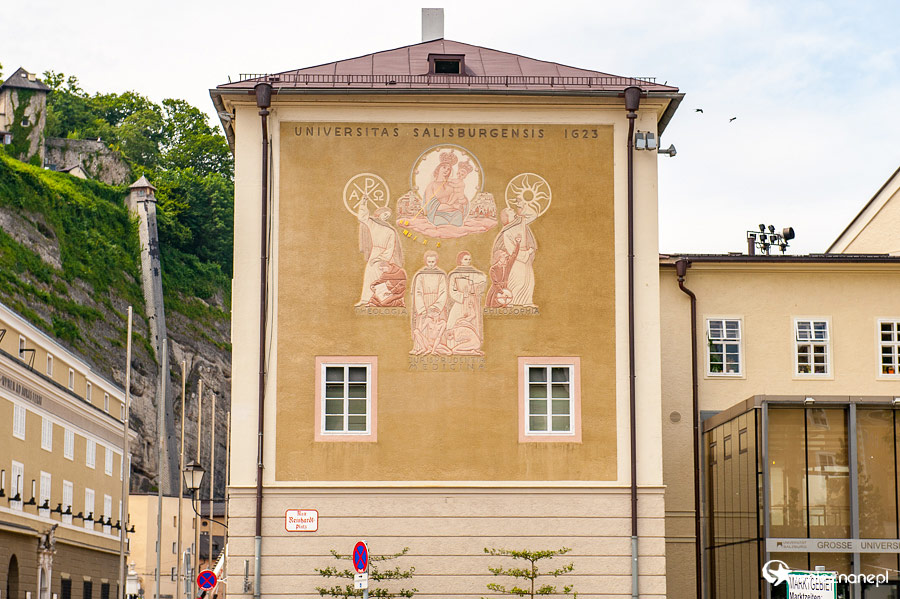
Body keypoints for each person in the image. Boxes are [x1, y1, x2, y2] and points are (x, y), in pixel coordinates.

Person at [356, 204, 403, 307]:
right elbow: (362, 217)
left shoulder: (390, 230)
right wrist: (363, 204)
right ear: (379, 213)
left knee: (380, 277)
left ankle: (379, 301)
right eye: (385, 214)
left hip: (384, 257)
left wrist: (380, 258)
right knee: (369, 276)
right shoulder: (373, 224)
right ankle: (366, 299)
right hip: (374, 252)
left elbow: (390, 247)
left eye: (388, 216)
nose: (386, 217)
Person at [492, 206, 537, 307]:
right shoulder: (507, 232)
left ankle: (527, 302)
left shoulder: (521, 222)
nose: (512, 209)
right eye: (509, 209)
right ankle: (511, 302)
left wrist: (522, 204)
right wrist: (527, 253)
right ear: (506, 216)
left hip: (525, 257)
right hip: (516, 259)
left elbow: (533, 215)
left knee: (529, 281)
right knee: (517, 280)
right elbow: (511, 249)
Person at [410, 251, 450, 355]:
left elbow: (443, 292)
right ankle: (420, 347)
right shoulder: (420, 275)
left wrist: (436, 307)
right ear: (426, 261)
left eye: (433, 261)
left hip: (437, 305)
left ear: (436, 261)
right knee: (423, 324)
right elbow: (418, 292)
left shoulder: (441, 275)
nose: (431, 264)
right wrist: (422, 309)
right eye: (429, 262)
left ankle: (436, 348)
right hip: (424, 303)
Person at [446, 251, 486, 355]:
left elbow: (483, 280)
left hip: (472, 302)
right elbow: (452, 291)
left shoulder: (474, 273)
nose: (468, 261)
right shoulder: (454, 274)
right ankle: (454, 347)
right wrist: (463, 295)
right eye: (465, 259)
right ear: (460, 260)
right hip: (460, 302)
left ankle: (470, 348)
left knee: (473, 320)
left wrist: (474, 287)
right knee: (454, 321)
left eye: (469, 259)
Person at [424, 151, 468, 227]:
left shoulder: (452, 184)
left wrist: (463, 202)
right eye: (444, 167)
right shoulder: (431, 186)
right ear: (438, 169)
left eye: (449, 169)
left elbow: (462, 201)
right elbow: (431, 206)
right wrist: (454, 206)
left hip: (456, 215)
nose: (446, 170)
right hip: (439, 216)